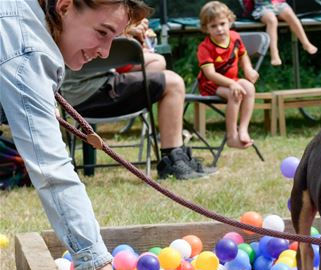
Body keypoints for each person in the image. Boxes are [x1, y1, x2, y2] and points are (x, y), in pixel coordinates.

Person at [0, 0, 159, 270]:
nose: (105, 51)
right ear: (65, 6)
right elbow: (53, 173)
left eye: (114, 38)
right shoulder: (27, 49)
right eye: (102, 33)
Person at [60, 24, 215, 180]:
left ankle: (178, 157)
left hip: (75, 97)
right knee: (173, 82)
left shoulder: (76, 19)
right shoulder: (93, 20)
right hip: (91, 92)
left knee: (160, 69)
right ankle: (174, 161)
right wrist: (126, 30)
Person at [197, 1, 259, 149]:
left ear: (230, 21)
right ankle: (232, 136)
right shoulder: (205, 47)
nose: (219, 29)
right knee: (235, 93)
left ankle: (243, 129)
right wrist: (232, 84)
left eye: (222, 24)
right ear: (206, 29)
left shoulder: (235, 37)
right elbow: (210, 74)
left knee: (249, 88)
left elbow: (243, 56)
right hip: (211, 85)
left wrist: (249, 69)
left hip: (233, 80)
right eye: (213, 26)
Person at [252, 0, 318, 66]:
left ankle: (306, 43)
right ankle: (274, 53)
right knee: (272, 20)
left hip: (279, 4)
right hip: (263, 6)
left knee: (291, 16)